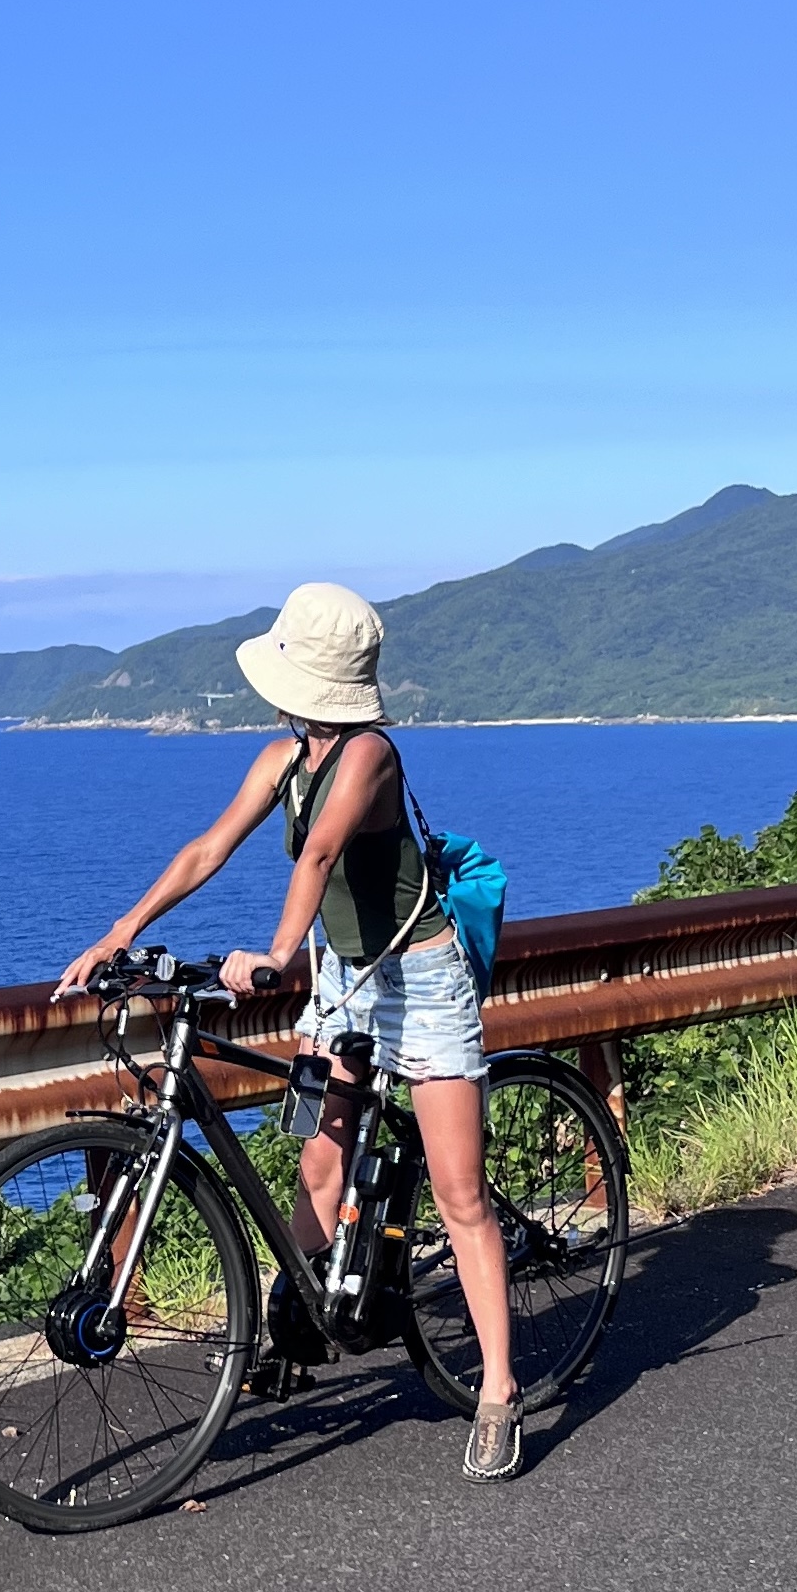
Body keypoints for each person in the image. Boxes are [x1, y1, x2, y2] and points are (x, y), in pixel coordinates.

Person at [55, 581, 524, 1482]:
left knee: (460, 1193)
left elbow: (318, 853)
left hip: (421, 979)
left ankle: (498, 1390)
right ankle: (305, 1320)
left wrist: (275, 956)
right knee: (318, 1160)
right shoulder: (285, 757)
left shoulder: (369, 755)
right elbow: (209, 846)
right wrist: (121, 931)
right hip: (347, 977)